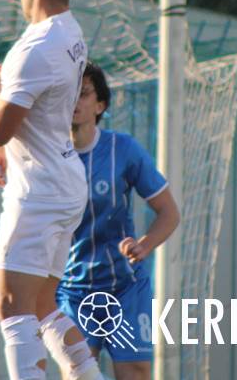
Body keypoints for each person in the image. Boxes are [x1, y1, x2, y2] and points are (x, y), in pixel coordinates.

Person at [0, 0, 102, 380]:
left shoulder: (34, 48)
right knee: (41, 303)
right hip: (64, 179)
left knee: (11, 304)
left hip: (39, 191)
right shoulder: (71, 31)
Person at [56, 62, 179, 380]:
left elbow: (169, 212)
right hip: (73, 290)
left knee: (134, 373)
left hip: (126, 287)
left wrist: (144, 245)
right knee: (78, 374)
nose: (74, 101)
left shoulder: (123, 150)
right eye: (68, 92)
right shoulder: (48, 156)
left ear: (100, 105)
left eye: (83, 93)